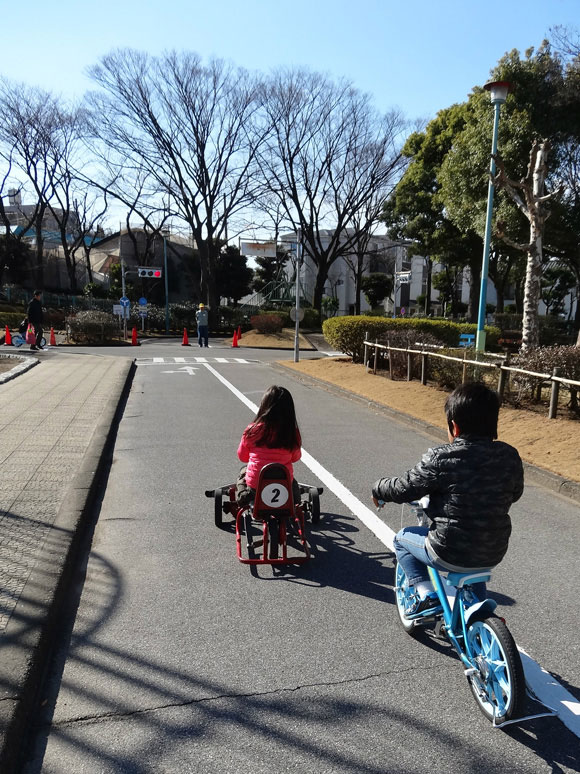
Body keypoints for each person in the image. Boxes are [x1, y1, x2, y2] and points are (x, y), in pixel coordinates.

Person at [372, 382, 524, 614]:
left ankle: (425, 594)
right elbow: (515, 494)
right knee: (473, 567)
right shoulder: (509, 456)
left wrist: (379, 488)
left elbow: (405, 488)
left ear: (454, 427)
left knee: (402, 539)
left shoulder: (440, 457)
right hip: (493, 549)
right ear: (494, 425)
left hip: (447, 550)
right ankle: (479, 616)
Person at [236, 385, 302, 511]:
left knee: (243, 472)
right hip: (284, 486)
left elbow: (242, 457)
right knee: (290, 479)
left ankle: (242, 498)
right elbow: (295, 457)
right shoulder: (291, 432)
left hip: (255, 487)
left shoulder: (252, 430)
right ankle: (293, 502)